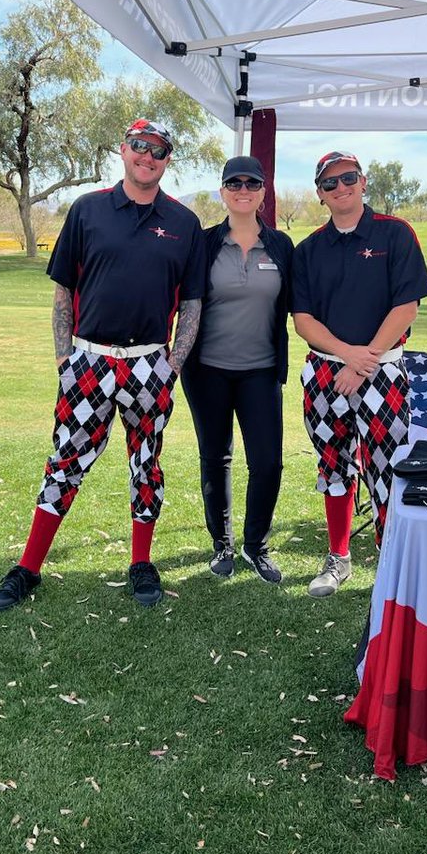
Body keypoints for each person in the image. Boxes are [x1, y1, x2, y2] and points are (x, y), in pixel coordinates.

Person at [0, 119, 205, 612]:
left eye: (159, 150)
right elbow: (64, 290)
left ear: (168, 160)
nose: (147, 156)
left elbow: (192, 302)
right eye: (139, 146)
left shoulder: (184, 223)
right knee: (65, 461)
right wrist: (63, 358)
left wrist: (172, 365)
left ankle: (141, 562)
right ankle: (28, 567)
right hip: (88, 360)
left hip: (149, 364)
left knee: (146, 463)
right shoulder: (87, 210)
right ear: (123, 150)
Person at [292, 151, 427, 597]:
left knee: (387, 467)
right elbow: (303, 320)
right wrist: (347, 356)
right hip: (326, 373)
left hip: (382, 371)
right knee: (332, 462)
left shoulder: (395, 233)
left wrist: (365, 360)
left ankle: (391, 563)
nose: (341, 188)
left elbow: (406, 307)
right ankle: (339, 557)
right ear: (320, 193)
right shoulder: (309, 249)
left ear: (363, 181)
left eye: (348, 178)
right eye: (330, 183)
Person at [181, 156, 294, 583]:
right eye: (234, 183)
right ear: (223, 191)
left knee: (267, 463)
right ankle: (222, 544)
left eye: (251, 183)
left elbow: (301, 305)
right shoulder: (205, 243)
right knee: (216, 457)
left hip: (261, 371)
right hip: (206, 370)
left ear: (263, 192)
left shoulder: (281, 247)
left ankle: (256, 545)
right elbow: (182, 299)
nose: (243, 190)